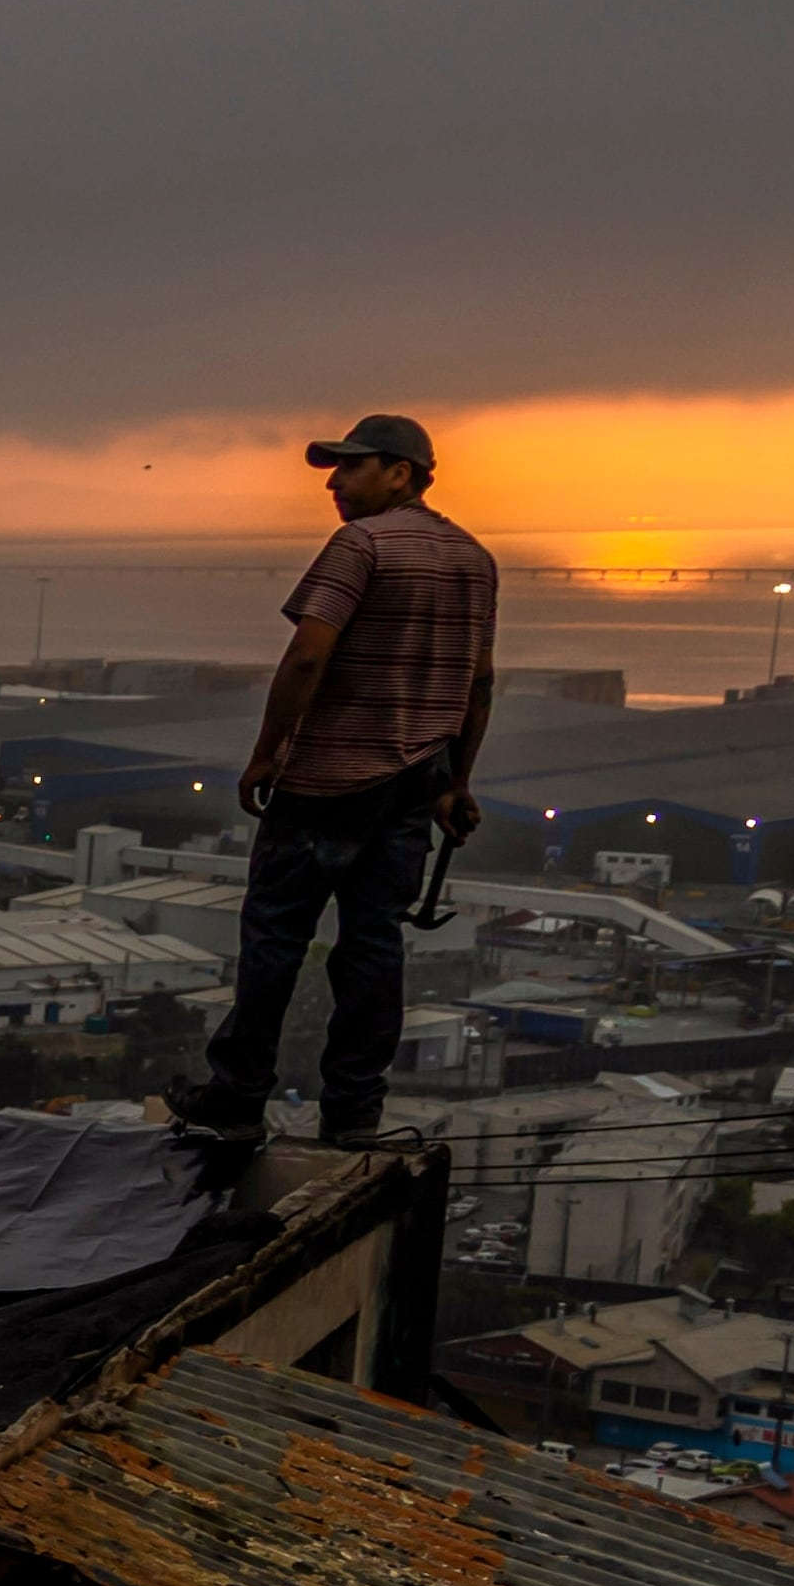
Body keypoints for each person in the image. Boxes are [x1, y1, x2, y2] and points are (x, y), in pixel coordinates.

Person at [170, 413, 496, 1148]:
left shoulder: (361, 545)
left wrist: (267, 751)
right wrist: (457, 781)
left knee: (275, 940)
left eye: (351, 468)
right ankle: (354, 1112)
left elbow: (309, 656)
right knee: (373, 945)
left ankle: (237, 1094)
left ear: (400, 473)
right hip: (414, 784)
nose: (334, 482)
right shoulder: (475, 559)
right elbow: (479, 684)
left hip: (324, 782)